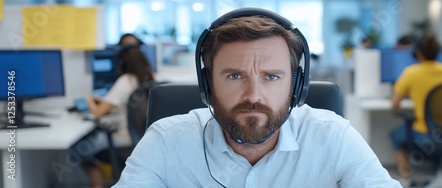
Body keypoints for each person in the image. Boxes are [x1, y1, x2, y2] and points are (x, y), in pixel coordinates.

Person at [113, 8, 400, 187]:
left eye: (271, 77)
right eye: (234, 76)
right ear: (207, 85)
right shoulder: (166, 141)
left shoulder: (333, 138)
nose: (253, 95)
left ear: (296, 86)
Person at [70, 45, 155, 188]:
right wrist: (105, 102)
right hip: (145, 137)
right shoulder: (152, 79)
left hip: (122, 139)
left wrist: (90, 101)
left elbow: (97, 113)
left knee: (75, 150)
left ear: (122, 64)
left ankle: (97, 185)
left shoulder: (125, 81)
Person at [390, 35, 442, 187]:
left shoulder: (412, 72)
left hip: (424, 133)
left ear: (418, 53)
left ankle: (406, 179)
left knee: (395, 136)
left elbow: (394, 104)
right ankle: (440, 177)